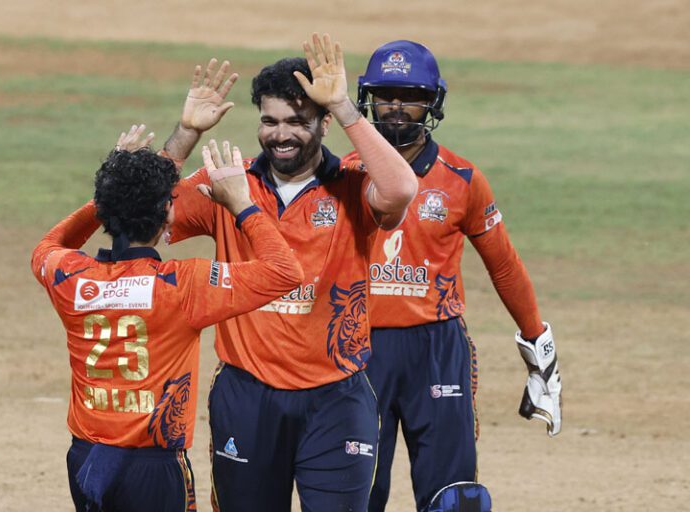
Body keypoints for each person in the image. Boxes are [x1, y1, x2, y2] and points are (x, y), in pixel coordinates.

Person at [159, 34, 418, 511]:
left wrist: (342, 105)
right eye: (270, 121)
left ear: (323, 124)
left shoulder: (355, 186)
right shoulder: (228, 182)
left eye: (298, 122)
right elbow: (145, 210)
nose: (281, 134)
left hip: (337, 399)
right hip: (247, 394)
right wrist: (186, 132)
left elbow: (402, 188)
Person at [30, 124, 304, 511]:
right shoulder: (183, 285)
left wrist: (111, 190)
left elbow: (49, 244)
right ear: (167, 216)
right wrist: (243, 205)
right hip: (153, 468)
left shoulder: (67, 277)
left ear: (106, 209)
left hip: (86, 459)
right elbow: (285, 272)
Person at [344, 40, 563, 511]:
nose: (397, 107)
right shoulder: (343, 174)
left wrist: (537, 341)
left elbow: (502, 264)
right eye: (386, 94)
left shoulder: (462, 178)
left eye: (411, 95)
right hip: (359, 347)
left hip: (437, 349)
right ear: (368, 98)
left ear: (433, 102)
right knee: (355, 495)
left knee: (452, 497)